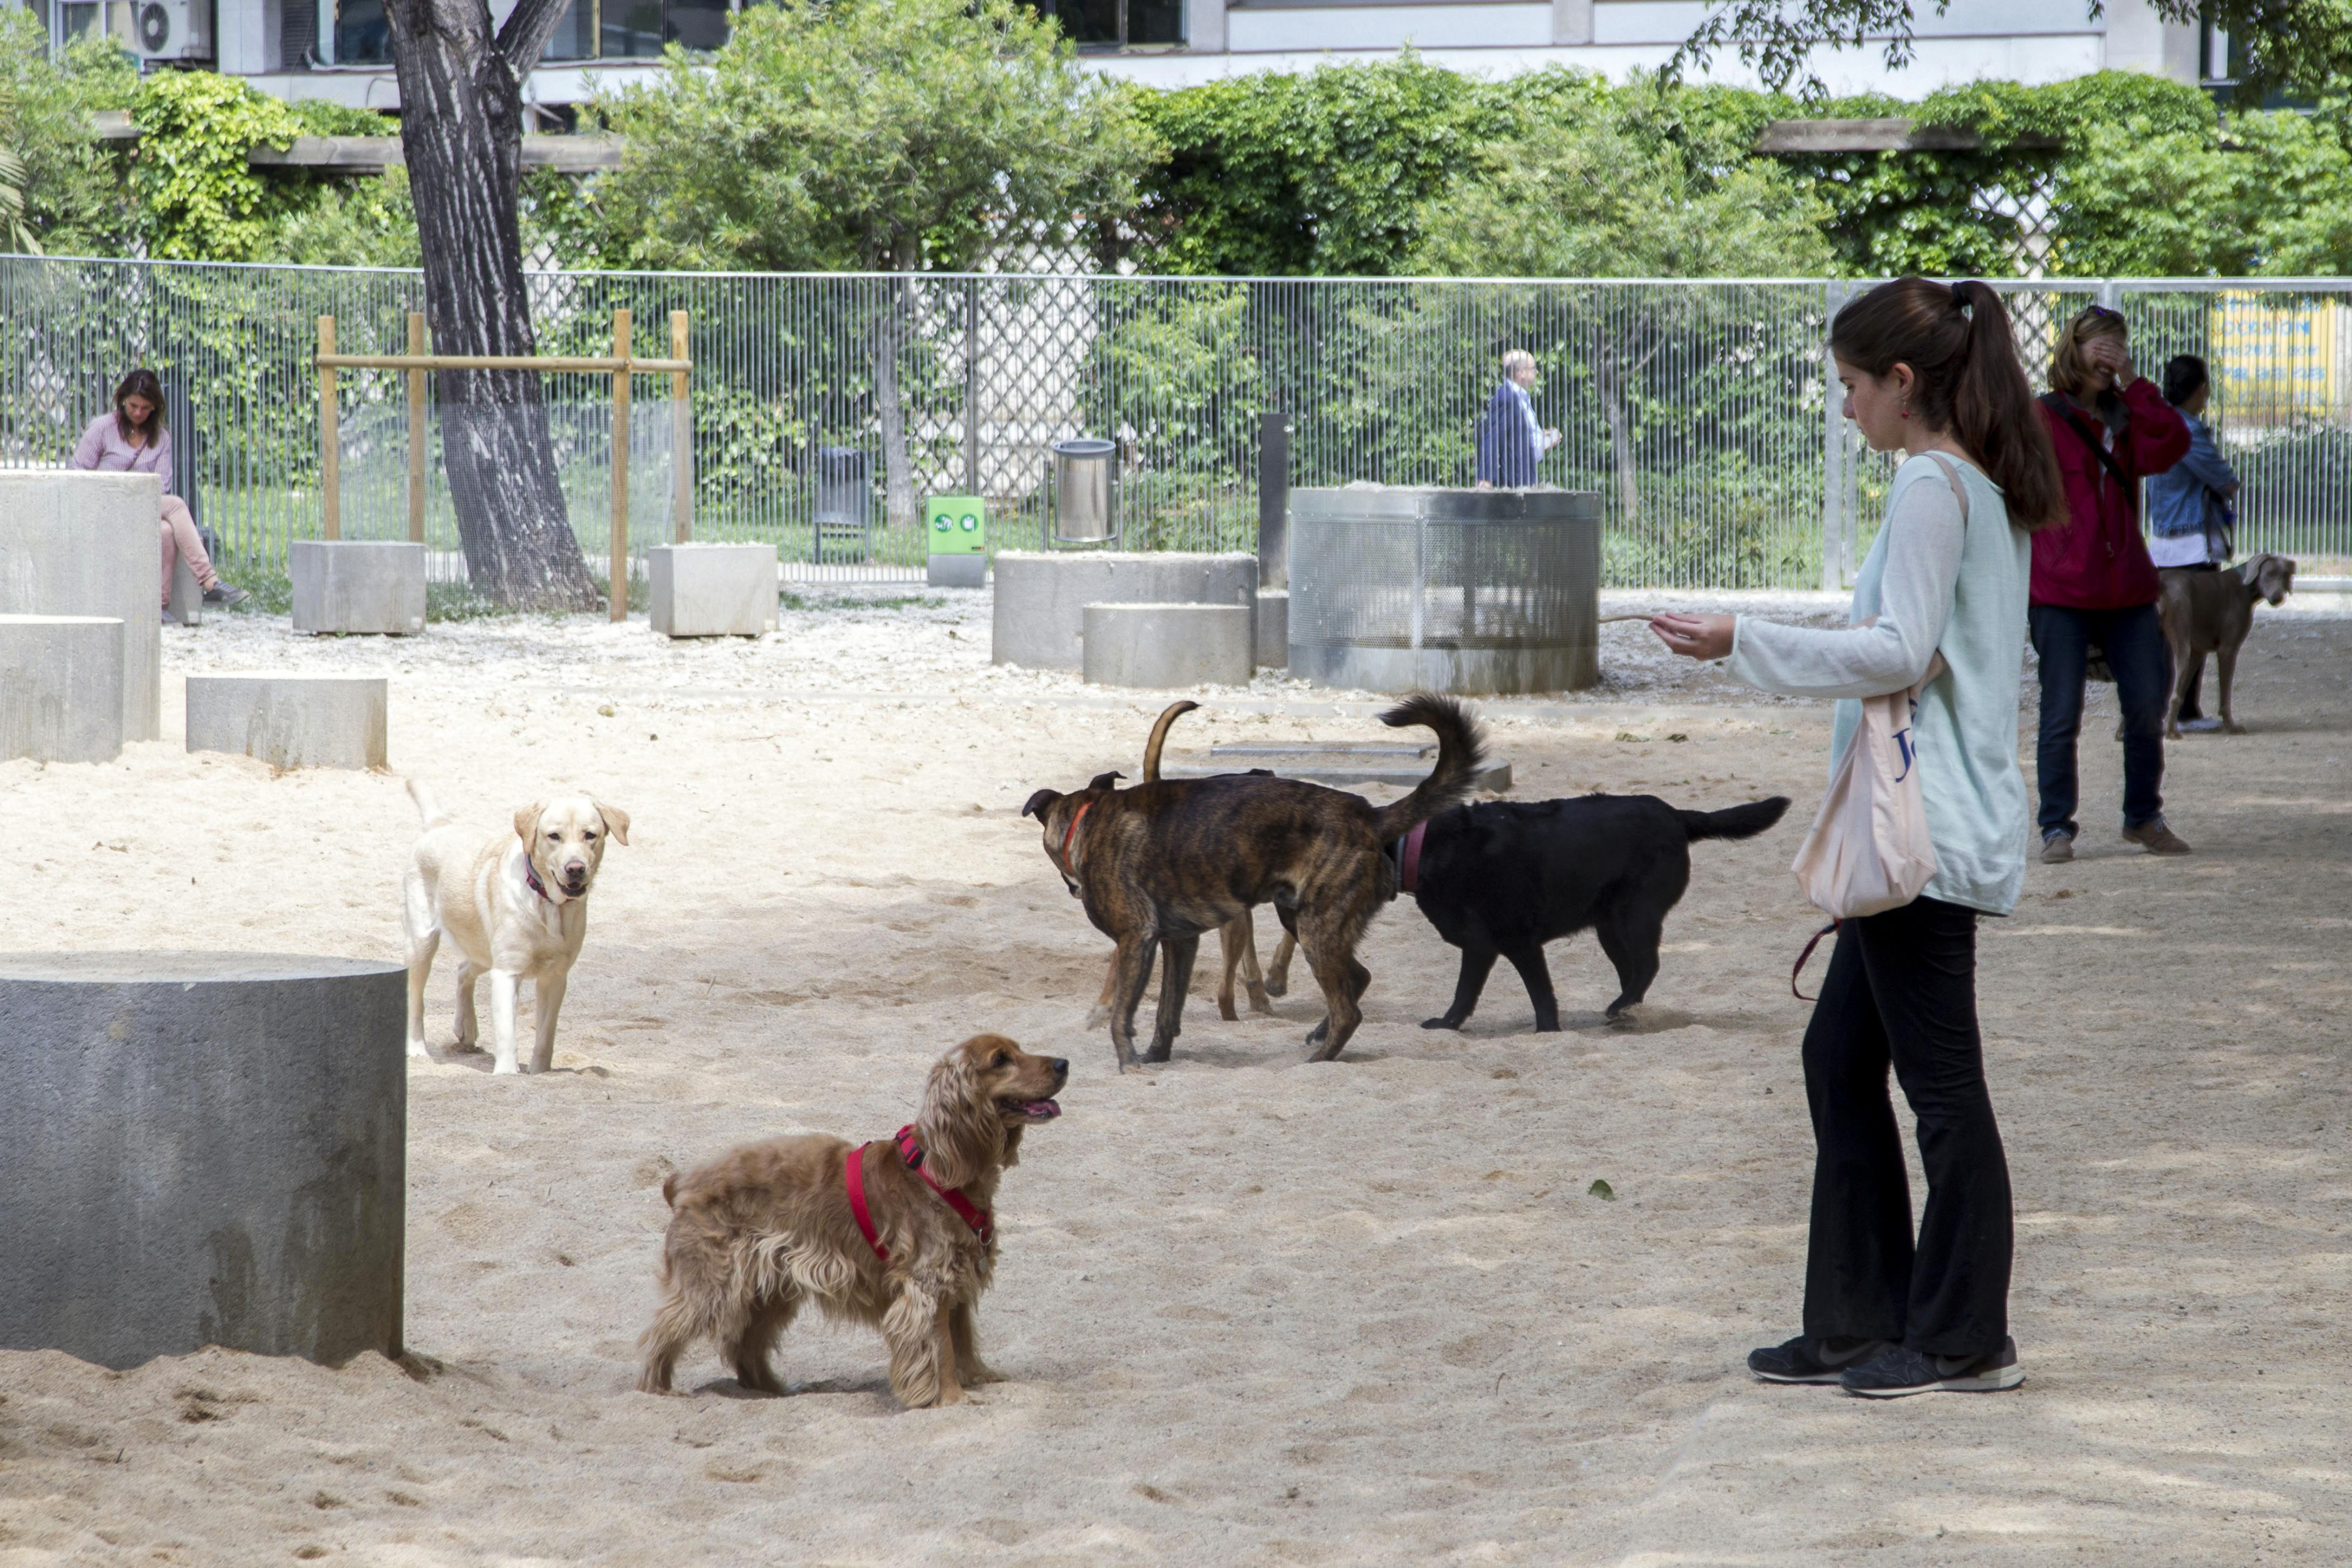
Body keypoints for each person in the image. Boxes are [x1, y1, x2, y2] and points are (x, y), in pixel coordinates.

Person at [1649, 278, 2064, 1397]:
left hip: (1923, 829)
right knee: (1839, 1059)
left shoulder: (1935, 482)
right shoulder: (1964, 481)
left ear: (1902, 382)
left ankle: (1963, 1336)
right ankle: (1854, 1319)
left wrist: (1744, 638)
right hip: (1924, 821)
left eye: (1849, 385)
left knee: (1941, 1088)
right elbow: (1906, 647)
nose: (1843, 408)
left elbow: (1896, 652)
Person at [2028, 307, 2190, 861]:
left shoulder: (2126, 416)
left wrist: (2137, 382)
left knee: (2147, 703)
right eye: (2100, 345)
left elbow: (2169, 447)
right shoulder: (2041, 416)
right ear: (2073, 349)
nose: (2108, 355)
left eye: (2117, 346)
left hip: (2129, 591)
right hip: (2060, 591)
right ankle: (2056, 827)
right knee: (2060, 712)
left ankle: (2143, 817)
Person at [71, 369, 246, 610]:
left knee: (166, 531)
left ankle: (160, 607)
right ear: (123, 400)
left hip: (142, 504)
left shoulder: (161, 437)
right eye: (133, 406)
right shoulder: (102, 428)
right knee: (176, 504)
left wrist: (135, 494)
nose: (138, 413)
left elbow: (161, 485)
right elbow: (77, 471)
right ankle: (209, 581)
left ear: (155, 407)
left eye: (145, 408)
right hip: (103, 503)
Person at [2145, 353, 2240, 731]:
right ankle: (2184, 712)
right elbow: (2224, 479)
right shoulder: (2186, 429)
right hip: (2192, 545)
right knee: (2196, 629)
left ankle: (2165, 708)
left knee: (2166, 632)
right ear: (2201, 390)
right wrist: (2227, 486)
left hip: (2163, 544)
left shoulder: (2156, 424)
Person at [1473, 349, 1560, 489]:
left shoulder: (1518, 397)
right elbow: (1492, 438)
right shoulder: (1507, 399)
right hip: (1515, 485)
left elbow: (1515, 435)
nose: (1537, 372)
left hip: (1524, 481)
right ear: (1520, 372)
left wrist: (1542, 438)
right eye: (1533, 369)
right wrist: (1485, 478)